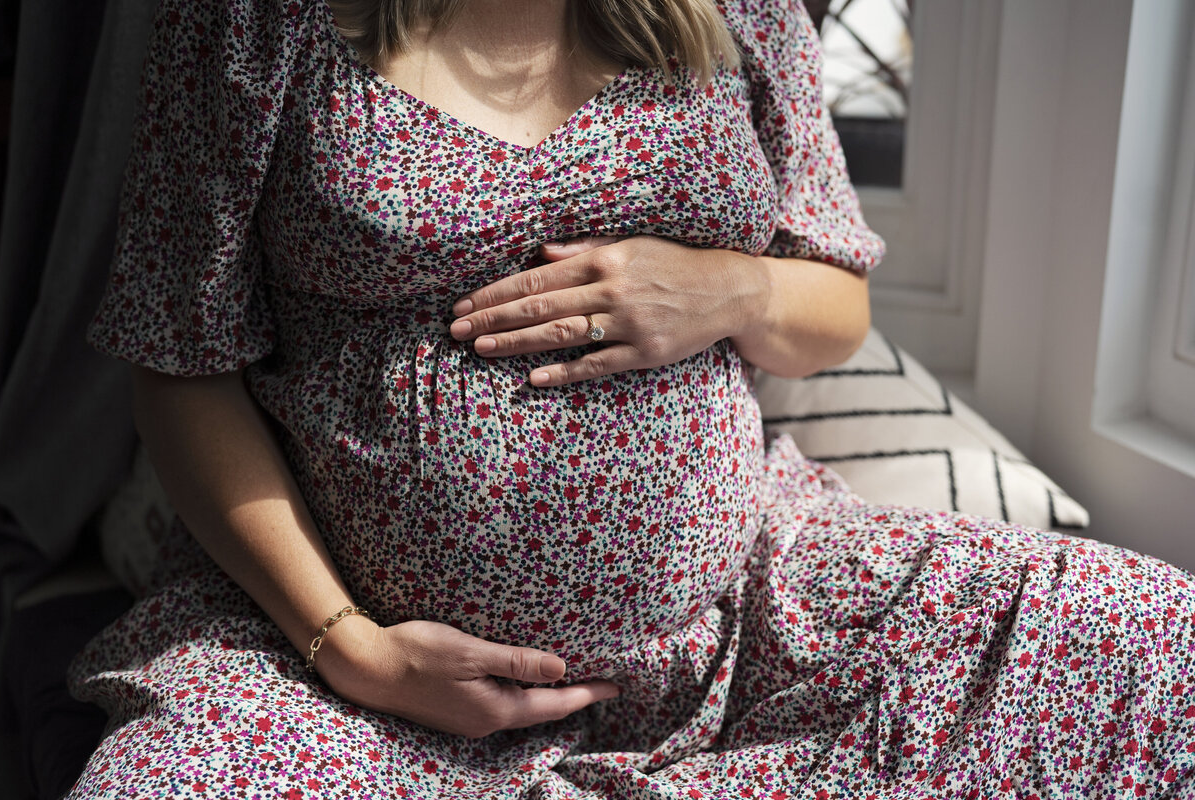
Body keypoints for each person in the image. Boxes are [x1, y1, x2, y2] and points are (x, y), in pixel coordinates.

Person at [68, 0, 1194, 797]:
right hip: (359, 672)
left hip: (743, 623)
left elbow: (834, 307)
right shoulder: (250, 21)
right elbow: (180, 364)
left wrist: (729, 286)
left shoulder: (740, 11)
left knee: (1147, 636)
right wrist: (349, 645)